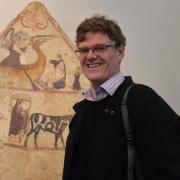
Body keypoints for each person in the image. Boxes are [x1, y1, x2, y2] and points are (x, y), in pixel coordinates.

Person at [62, 15, 180, 180]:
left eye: (100, 48)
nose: (90, 56)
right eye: (83, 50)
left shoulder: (141, 101)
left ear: (120, 52)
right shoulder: (81, 110)